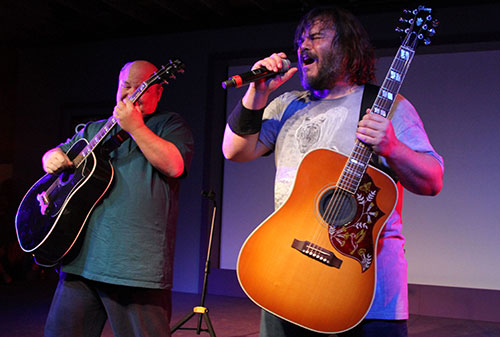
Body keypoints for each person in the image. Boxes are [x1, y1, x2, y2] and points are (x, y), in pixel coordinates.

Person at [222, 6, 443, 337]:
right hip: (285, 278)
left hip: (364, 295)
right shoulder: (286, 106)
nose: (303, 45)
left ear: (346, 46)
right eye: (300, 39)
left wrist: (393, 147)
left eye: (316, 36)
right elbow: (234, 150)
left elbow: (432, 180)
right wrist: (259, 91)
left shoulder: (387, 106)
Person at [42, 60, 194, 337]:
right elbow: (56, 153)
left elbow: (175, 165)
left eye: (141, 88)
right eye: (126, 86)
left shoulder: (168, 124)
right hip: (81, 260)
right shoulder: (92, 130)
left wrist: (136, 127)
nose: (130, 93)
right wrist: (51, 157)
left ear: (158, 93)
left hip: (134, 268)